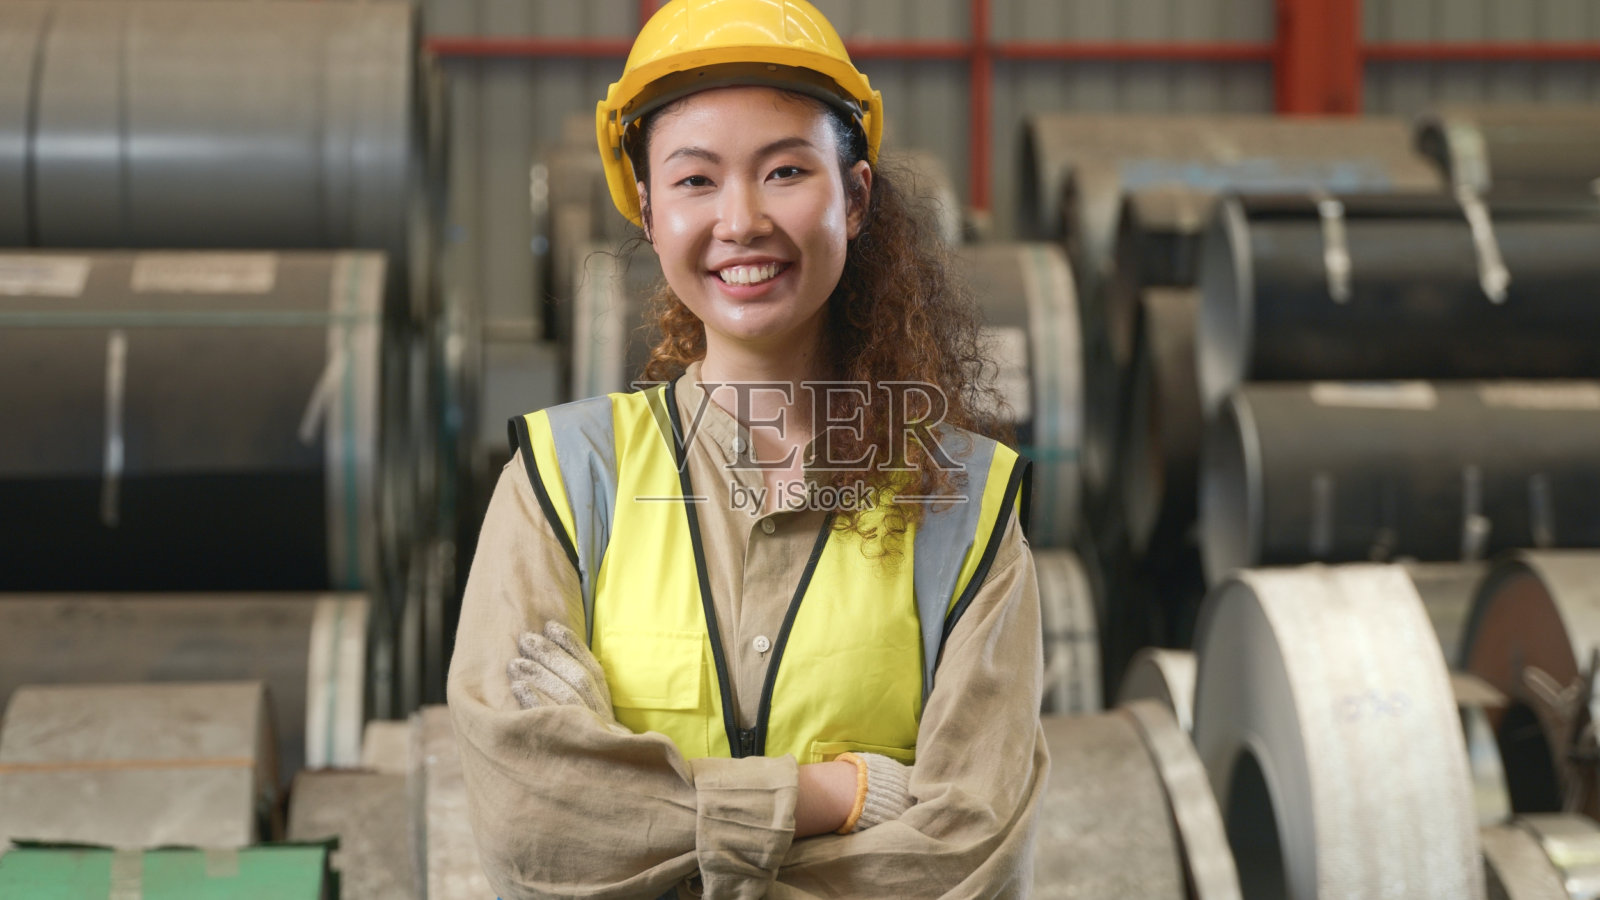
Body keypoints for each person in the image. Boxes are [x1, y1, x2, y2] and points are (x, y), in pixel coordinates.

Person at [448, 1, 1048, 896]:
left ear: (854, 196)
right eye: (696, 181)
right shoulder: (565, 481)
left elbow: (968, 857)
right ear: (648, 211)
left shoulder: (963, 504)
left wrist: (647, 815)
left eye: (784, 171)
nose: (742, 220)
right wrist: (829, 797)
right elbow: (532, 826)